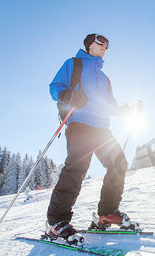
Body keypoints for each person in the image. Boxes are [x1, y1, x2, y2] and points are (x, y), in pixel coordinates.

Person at [46, 34, 140, 241]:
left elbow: (111, 107)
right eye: (101, 42)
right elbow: (55, 87)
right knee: (77, 169)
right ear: (89, 45)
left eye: (107, 45)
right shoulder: (74, 64)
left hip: (101, 129)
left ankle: (106, 214)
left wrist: (129, 110)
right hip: (79, 123)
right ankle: (56, 223)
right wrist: (68, 96)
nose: (105, 46)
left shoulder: (105, 79)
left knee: (118, 164)